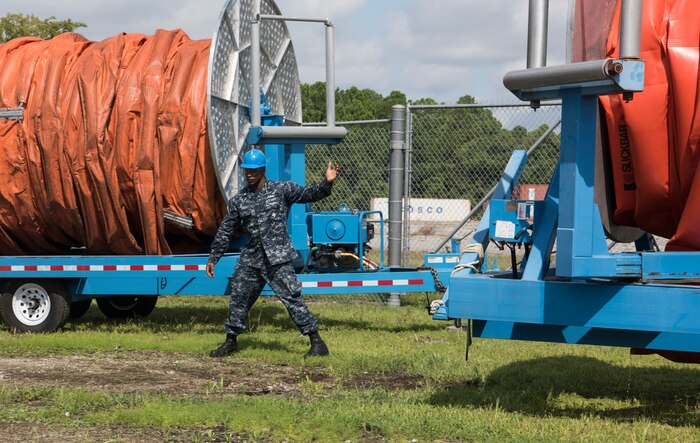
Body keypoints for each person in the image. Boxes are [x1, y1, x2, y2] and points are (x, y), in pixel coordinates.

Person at [206, 148, 339, 358]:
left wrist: (327, 182)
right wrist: (214, 257)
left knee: (292, 298)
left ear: (262, 170)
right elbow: (226, 230)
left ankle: (317, 343)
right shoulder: (239, 200)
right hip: (252, 258)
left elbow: (309, 194)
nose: (249, 174)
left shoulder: (281, 190)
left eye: (254, 170)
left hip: (277, 257)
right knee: (239, 298)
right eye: (246, 170)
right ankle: (231, 342)